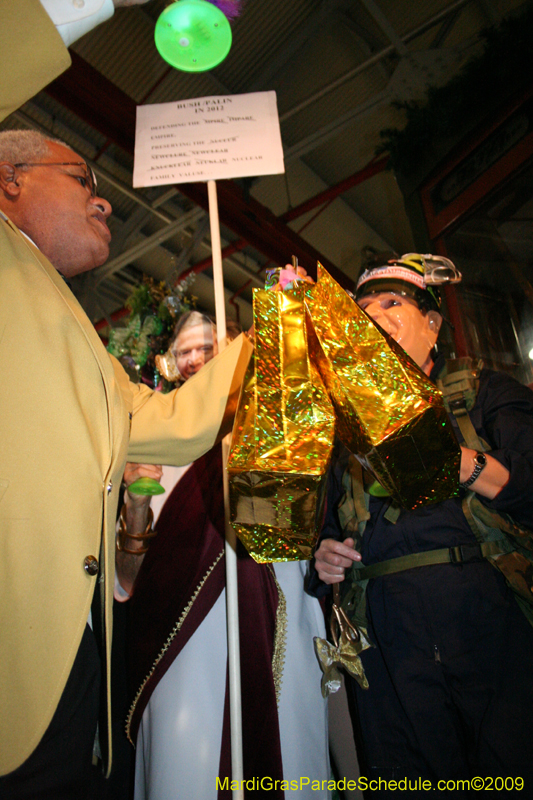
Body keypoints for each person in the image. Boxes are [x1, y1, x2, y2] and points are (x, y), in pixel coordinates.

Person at [0, 4, 253, 795]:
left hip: (73, 651)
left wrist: (274, 336)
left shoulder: (71, 323)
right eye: (84, 179)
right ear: (7, 182)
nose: (105, 201)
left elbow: (161, 422)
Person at [311, 253, 533, 795]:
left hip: (490, 617)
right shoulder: (339, 435)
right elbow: (314, 537)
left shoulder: (483, 393)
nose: (377, 318)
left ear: (433, 325)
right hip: (388, 639)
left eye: (393, 303)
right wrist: (324, 557)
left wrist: (465, 464)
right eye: (363, 311)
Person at [116, 310, 331, 799]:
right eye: (184, 351)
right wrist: (135, 503)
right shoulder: (152, 439)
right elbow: (126, 584)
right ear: (170, 363)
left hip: (274, 623)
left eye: (208, 348)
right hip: (180, 652)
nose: (196, 360)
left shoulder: (271, 427)